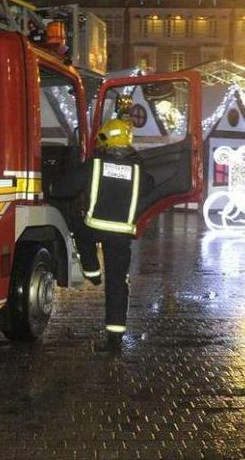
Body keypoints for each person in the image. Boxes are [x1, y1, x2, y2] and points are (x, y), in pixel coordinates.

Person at [50, 95, 153, 353]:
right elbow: (150, 187)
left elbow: (63, 190)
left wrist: (50, 187)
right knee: (118, 285)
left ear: (104, 140)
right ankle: (115, 340)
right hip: (121, 237)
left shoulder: (93, 166)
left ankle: (91, 269)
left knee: (76, 223)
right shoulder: (139, 173)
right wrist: (136, 162)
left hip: (94, 228)